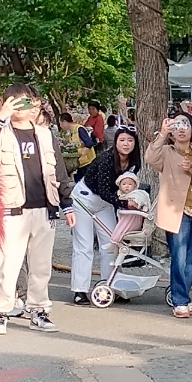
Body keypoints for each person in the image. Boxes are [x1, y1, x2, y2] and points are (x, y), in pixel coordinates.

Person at [0, 85, 72, 333]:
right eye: (13, 102)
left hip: (44, 208)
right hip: (12, 208)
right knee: (8, 264)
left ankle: (39, 310)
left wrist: (66, 205)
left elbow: (59, 172)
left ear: (35, 104)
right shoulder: (1, 132)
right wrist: (1, 117)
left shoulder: (46, 134)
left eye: (25, 102)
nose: (20, 107)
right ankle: (1, 312)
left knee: (41, 266)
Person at [149, 115, 192, 318]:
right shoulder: (167, 151)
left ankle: (183, 297)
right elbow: (150, 159)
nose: (181, 129)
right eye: (177, 125)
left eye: (185, 125)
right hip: (175, 210)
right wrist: (161, 133)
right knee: (178, 257)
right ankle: (179, 300)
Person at [68, 129, 142, 305]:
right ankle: (80, 290)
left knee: (111, 243)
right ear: (115, 142)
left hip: (106, 203)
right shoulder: (106, 159)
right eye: (122, 140)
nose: (126, 144)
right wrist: (124, 204)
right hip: (85, 199)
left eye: (130, 140)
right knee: (83, 245)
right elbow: (103, 190)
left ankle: (110, 286)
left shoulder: (134, 162)